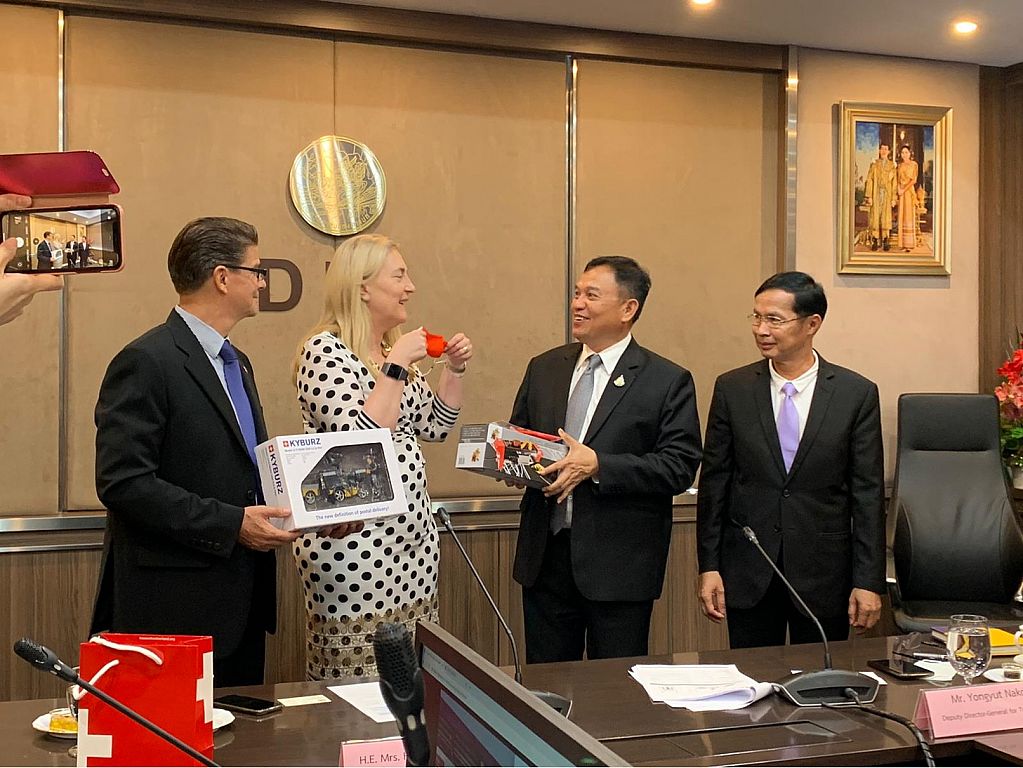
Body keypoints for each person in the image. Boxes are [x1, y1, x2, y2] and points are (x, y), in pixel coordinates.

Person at [92, 217, 353, 686]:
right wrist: (232, 525)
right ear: (222, 277)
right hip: (174, 611)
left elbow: (250, 473)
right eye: (256, 270)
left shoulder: (238, 362)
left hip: (241, 602)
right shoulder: (147, 361)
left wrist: (316, 512)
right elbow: (124, 484)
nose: (262, 282)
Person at [292, 233, 472, 680]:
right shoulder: (325, 351)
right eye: (399, 276)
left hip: (413, 542)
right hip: (354, 541)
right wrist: (396, 368)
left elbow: (435, 426)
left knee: (409, 673)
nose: (410, 287)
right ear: (363, 287)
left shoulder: (391, 352)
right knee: (360, 678)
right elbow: (359, 442)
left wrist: (454, 369)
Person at [510, 256, 702, 663]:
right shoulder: (545, 367)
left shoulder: (666, 380)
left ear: (628, 309)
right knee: (546, 682)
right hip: (546, 558)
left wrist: (600, 465)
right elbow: (522, 436)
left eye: (591, 296)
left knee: (614, 686)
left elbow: (679, 466)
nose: (577, 304)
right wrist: (512, 462)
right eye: (576, 293)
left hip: (619, 566)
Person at [696, 271, 885, 649]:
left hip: (824, 574)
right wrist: (709, 566)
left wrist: (868, 581)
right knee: (751, 679)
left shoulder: (855, 394)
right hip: (749, 568)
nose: (761, 329)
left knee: (819, 677)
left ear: (812, 323)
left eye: (774, 319)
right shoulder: (733, 388)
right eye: (756, 317)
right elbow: (715, 483)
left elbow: (867, 495)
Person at [0, 194, 62, 325]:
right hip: (43, 266)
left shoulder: (51, 244)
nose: (52, 237)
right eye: (51, 236)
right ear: (47, 236)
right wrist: (48, 259)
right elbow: (40, 256)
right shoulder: (41, 245)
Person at [863, 143, 896, 251]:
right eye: (882, 149)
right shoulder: (874, 164)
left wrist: (893, 198)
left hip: (887, 194)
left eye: (886, 149)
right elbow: (870, 180)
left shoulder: (892, 166)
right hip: (876, 193)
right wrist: (869, 196)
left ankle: (886, 240)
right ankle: (875, 240)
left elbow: (894, 183)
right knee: (875, 216)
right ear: (879, 150)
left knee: (886, 216)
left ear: (889, 151)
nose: (884, 151)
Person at [896, 144, 919, 252]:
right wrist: (898, 189)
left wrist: (903, 190)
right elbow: (897, 179)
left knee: (909, 216)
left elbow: (913, 180)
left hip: (909, 192)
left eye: (906, 152)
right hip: (901, 193)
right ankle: (902, 243)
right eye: (902, 153)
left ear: (910, 153)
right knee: (902, 216)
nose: (904, 154)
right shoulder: (900, 166)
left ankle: (909, 244)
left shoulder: (914, 165)